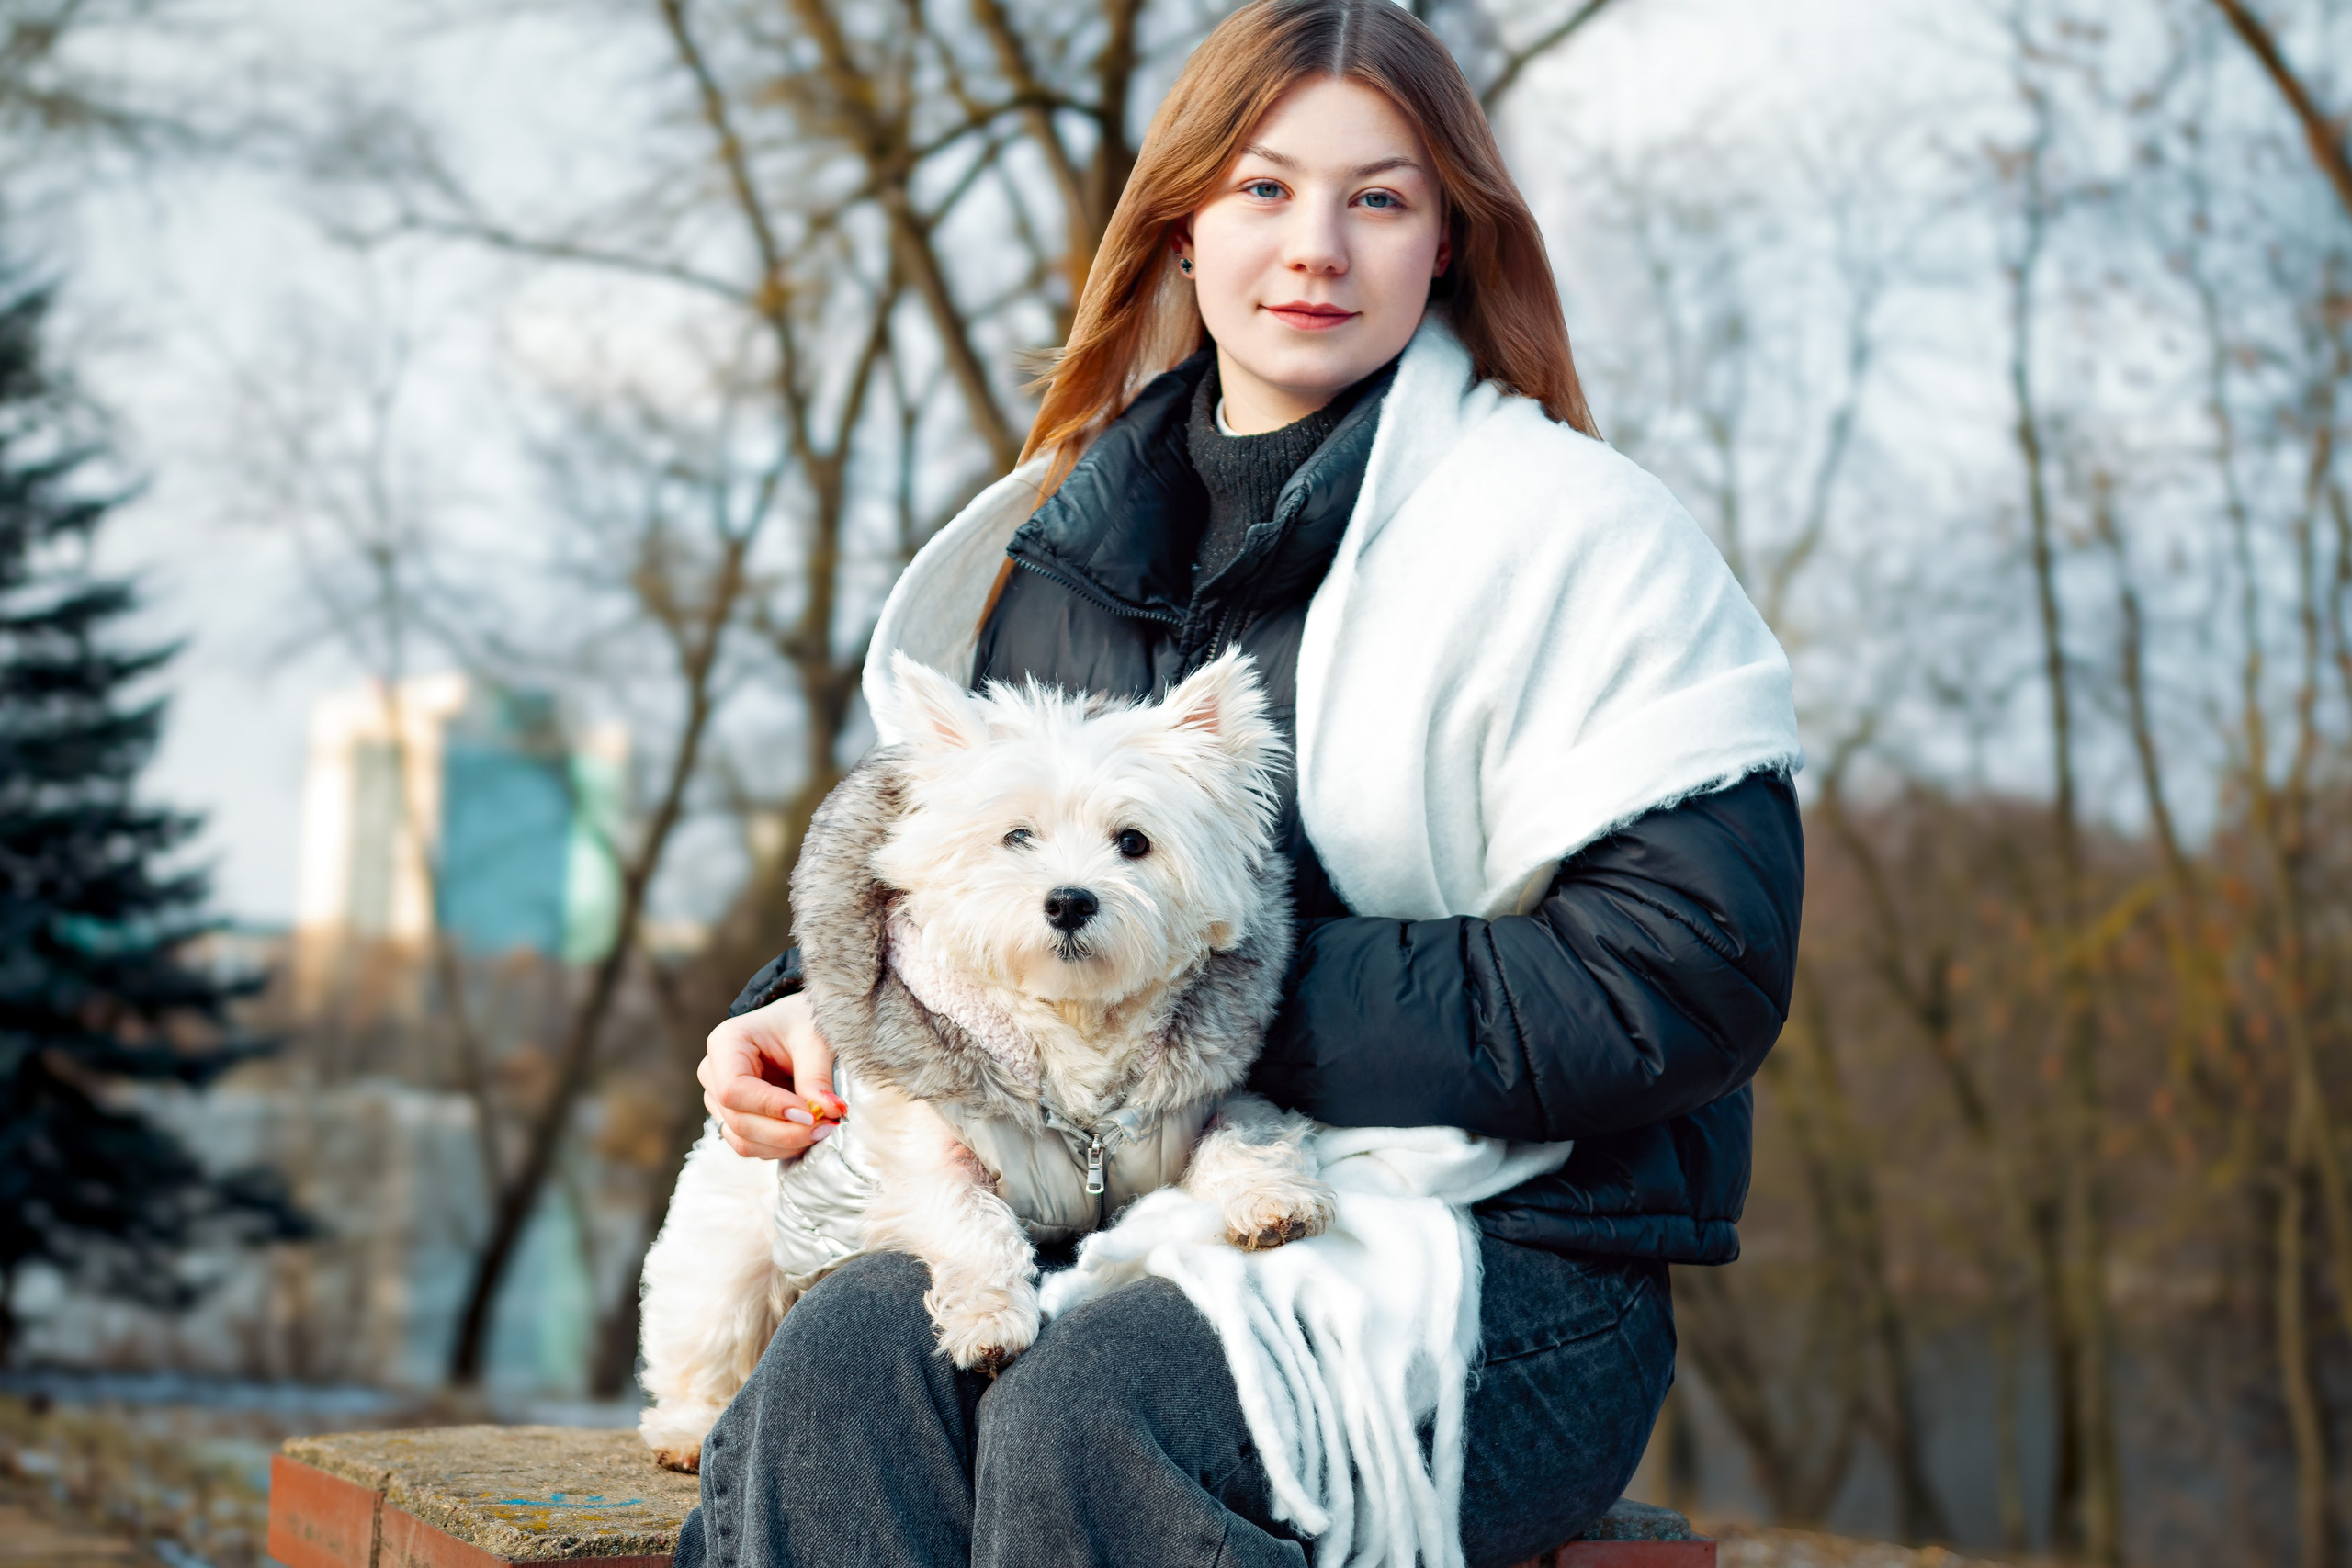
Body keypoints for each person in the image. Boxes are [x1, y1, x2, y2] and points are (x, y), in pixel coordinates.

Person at [674, 0, 1803, 1562]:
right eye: (1264, 189)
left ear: (1450, 245)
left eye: (1381, 198)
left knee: (1097, 1414)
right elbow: (963, 868)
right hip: (1110, 1208)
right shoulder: (1058, 552)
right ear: (1184, 225)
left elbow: (1684, 976)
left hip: (1504, 1259)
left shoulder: (1582, 546)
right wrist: (812, 1002)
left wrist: (1203, 1001)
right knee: (851, 1360)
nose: (1316, 249)